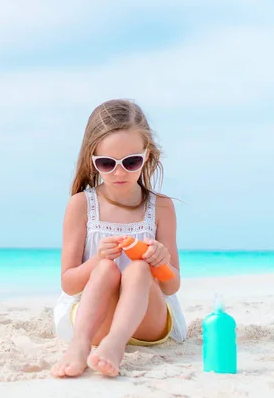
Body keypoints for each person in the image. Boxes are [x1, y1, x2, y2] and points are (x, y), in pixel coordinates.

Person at [51, 99, 188, 378]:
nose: (120, 172)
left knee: (138, 268)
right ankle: (80, 345)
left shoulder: (160, 207)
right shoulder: (81, 205)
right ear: (93, 160)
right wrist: (98, 260)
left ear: (146, 155)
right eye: (106, 163)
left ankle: (116, 344)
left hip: (148, 321)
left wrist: (160, 262)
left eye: (131, 161)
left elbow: (172, 286)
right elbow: (68, 282)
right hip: (94, 321)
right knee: (104, 269)